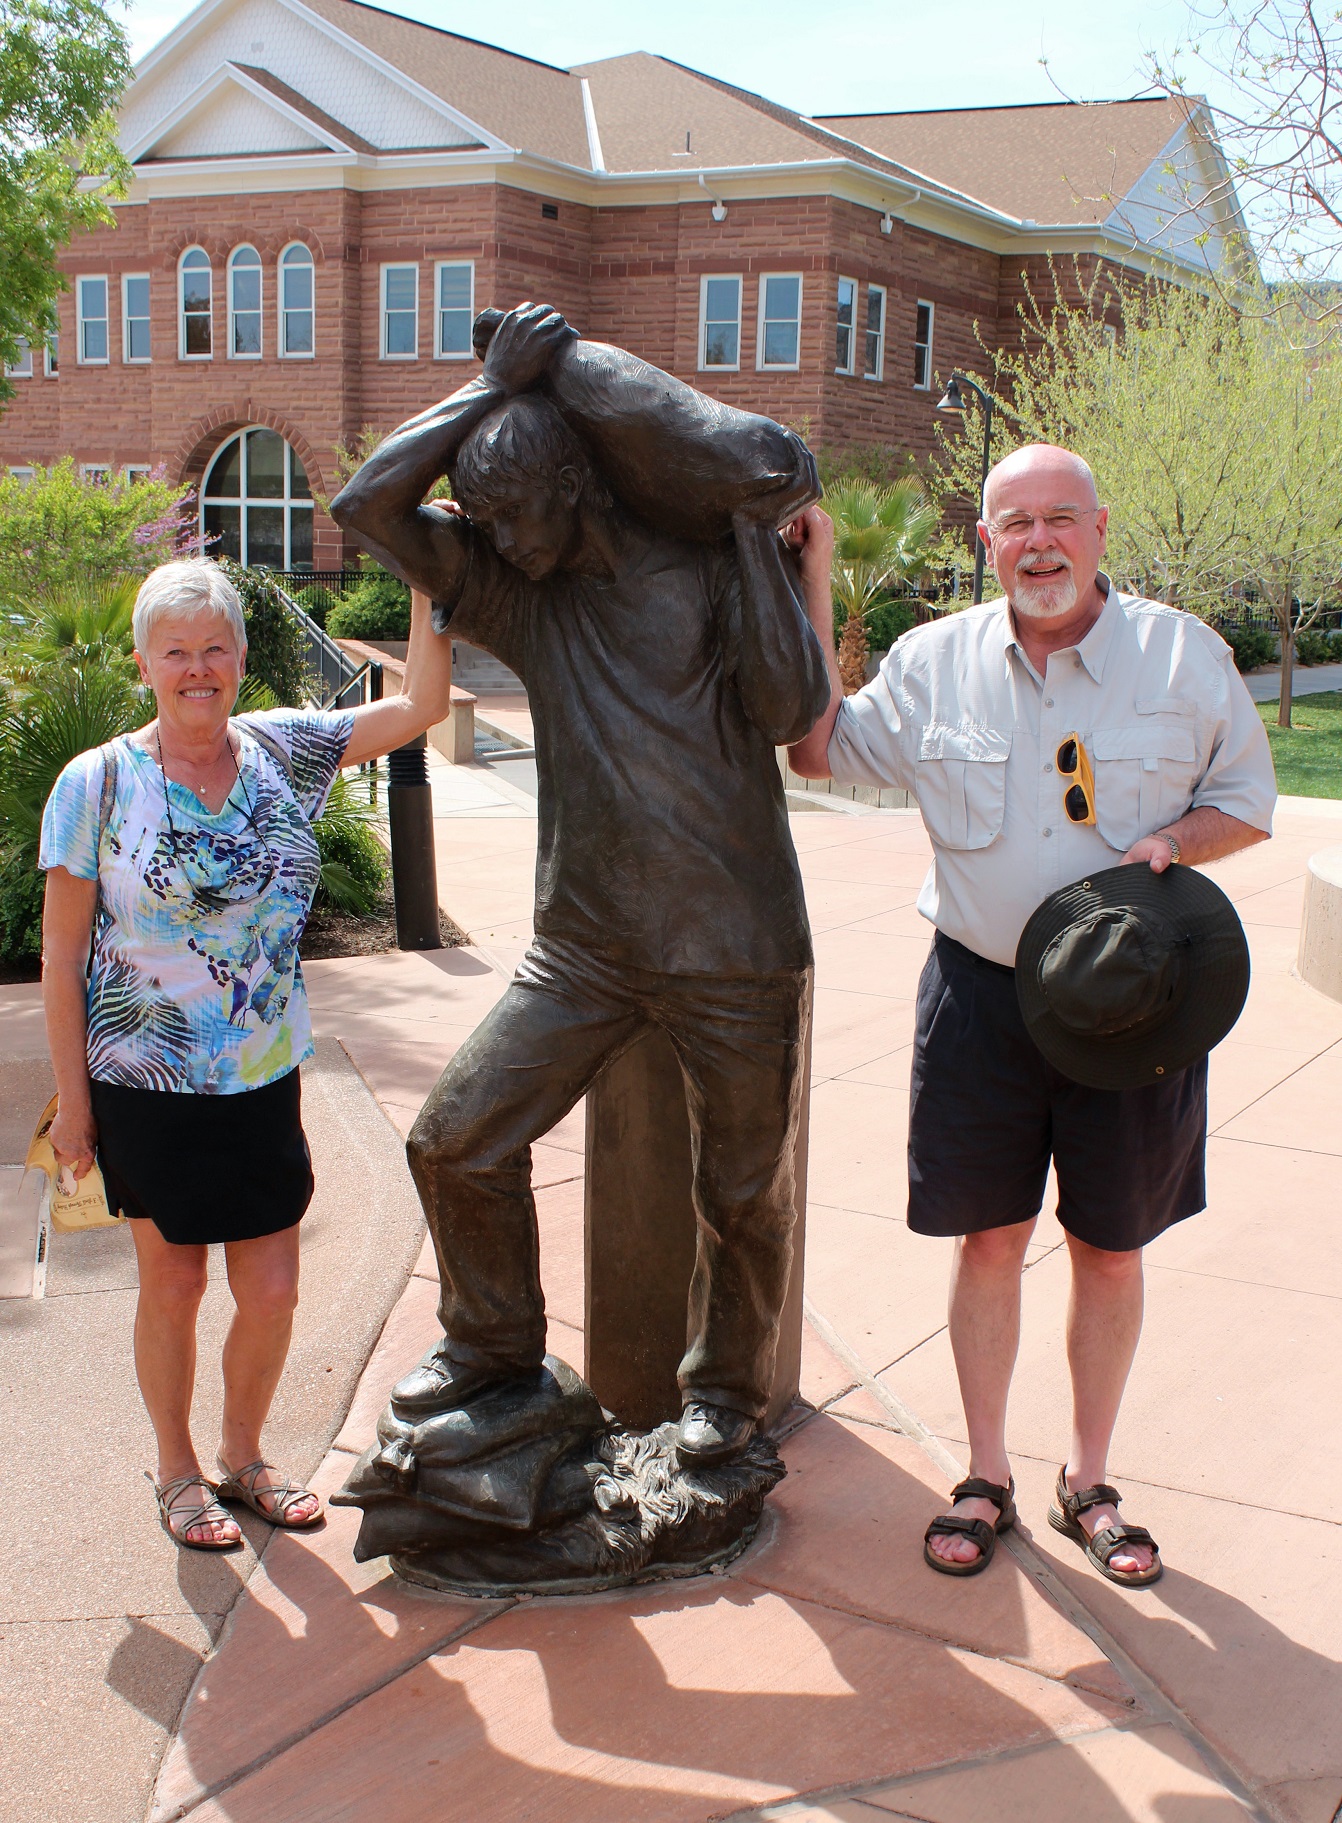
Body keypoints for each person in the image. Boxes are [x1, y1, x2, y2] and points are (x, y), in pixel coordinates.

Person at [332, 301, 833, 1467]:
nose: (499, 539)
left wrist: (749, 539)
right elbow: (367, 508)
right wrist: (492, 386)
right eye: (483, 520)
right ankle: (493, 1349)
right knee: (453, 1141)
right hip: (586, 949)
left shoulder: (704, 562)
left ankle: (725, 1395)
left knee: (744, 1195)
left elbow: (785, 705)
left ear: (574, 483)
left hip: (736, 942)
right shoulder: (521, 590)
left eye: (514, 511)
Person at [788, 443, 1276, 1585]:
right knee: (990, 1238)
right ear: (987, 542)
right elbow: (814, 749)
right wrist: (812, 576)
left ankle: (1088, 1480)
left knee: (1109, 1248)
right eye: (1016, 523)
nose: (1040, 542)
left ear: (1100, 530)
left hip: (1131, 1013)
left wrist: (1175, 839)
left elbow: (1247, 800)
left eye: (1061, 518)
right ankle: (986, 1472)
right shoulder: (931, 661)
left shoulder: (1182, 655)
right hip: (980, 996)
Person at [40, 558, 453, 1549]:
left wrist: (428, 582)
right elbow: (62, 954)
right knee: (175, 1283)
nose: (197, 667)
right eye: (176, 650)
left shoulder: (283, 749)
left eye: (215, 647)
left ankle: (243, 1453)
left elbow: (423, 706)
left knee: (271, 1290)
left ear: (239, 656)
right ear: (145, 662)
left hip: (262, 1074)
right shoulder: (96, 782)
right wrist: (74, 1105)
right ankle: (177, 1468)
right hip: (145, 1078)